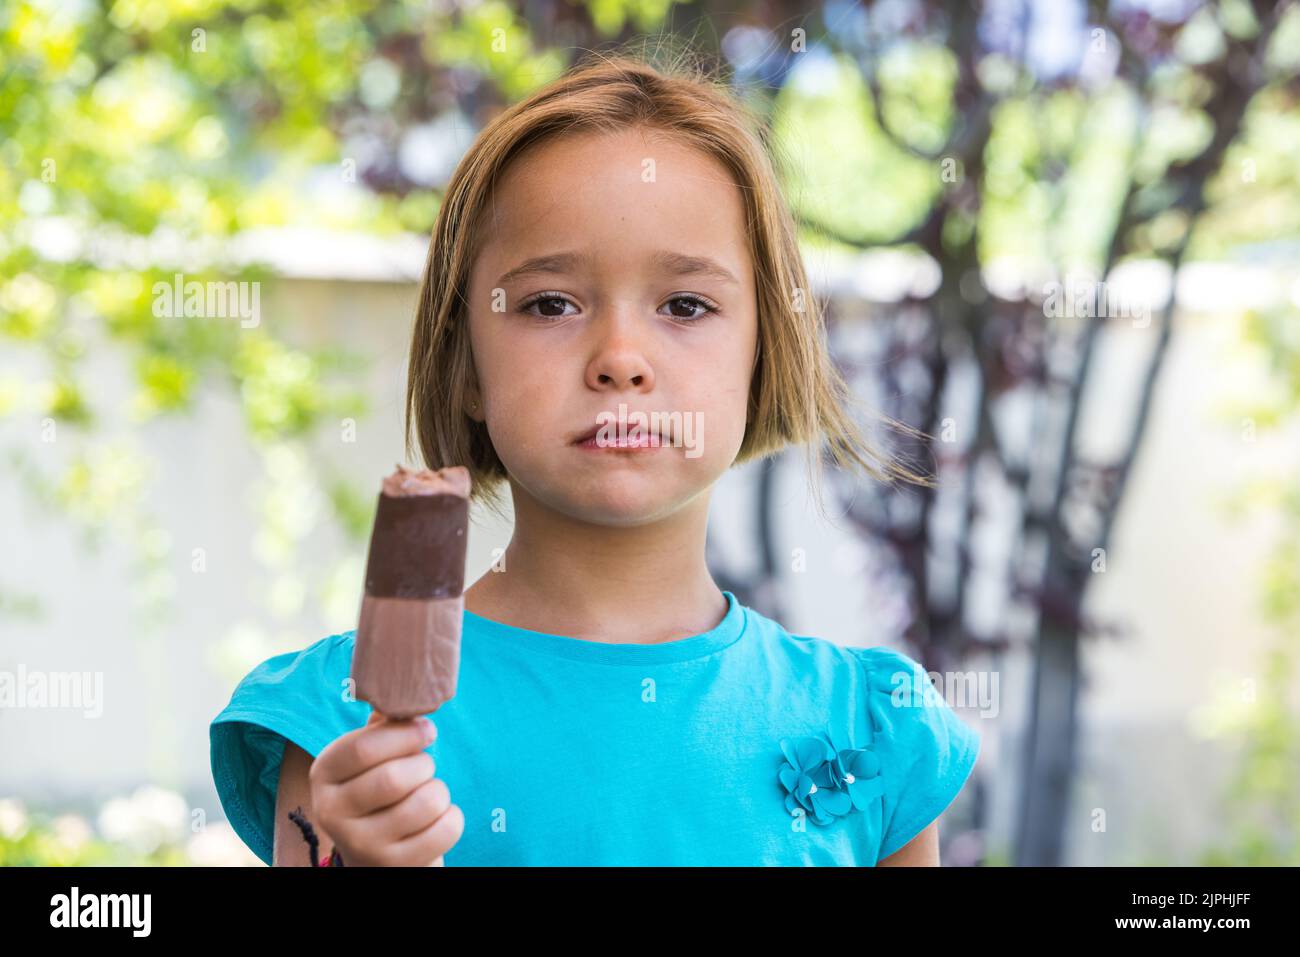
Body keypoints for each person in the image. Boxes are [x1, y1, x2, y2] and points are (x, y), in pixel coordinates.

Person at [210, 49, 980, 867]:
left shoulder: (872, 730)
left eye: (686, 304)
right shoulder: (343, 725)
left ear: (765, 355)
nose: (620, 356)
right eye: (549, 303)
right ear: (467, 367)